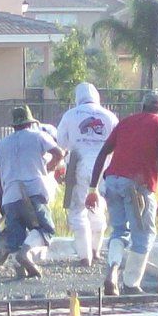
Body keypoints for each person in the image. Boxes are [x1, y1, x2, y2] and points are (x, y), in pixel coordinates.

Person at [90, 90, 158, 296]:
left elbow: (103, 152)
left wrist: (92, 188)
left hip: (112, 182)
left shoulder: (126, 122)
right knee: (144, 234)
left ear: (143, 105)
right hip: (137, 187)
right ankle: (130, 284)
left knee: (119, 231)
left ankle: (112, 271)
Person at [0, 106, 64, 277]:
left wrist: (4, 202)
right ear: (30, 122)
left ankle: (20, 268)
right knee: (45, 229)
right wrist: (50, 166)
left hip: (10, 195)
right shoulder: (38, 135)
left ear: (14, 125)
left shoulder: (2, 143)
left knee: (16, 235)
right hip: (34, 190)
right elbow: (58, 153)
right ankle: (26, 254)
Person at [54, 82, 117, 267]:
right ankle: (96, 250)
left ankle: (84, 256)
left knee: (78, 210)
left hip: (78, 166)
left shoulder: (70, 115)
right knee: (98, 207)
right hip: (104, 168)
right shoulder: (109, 116)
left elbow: (61, 143)